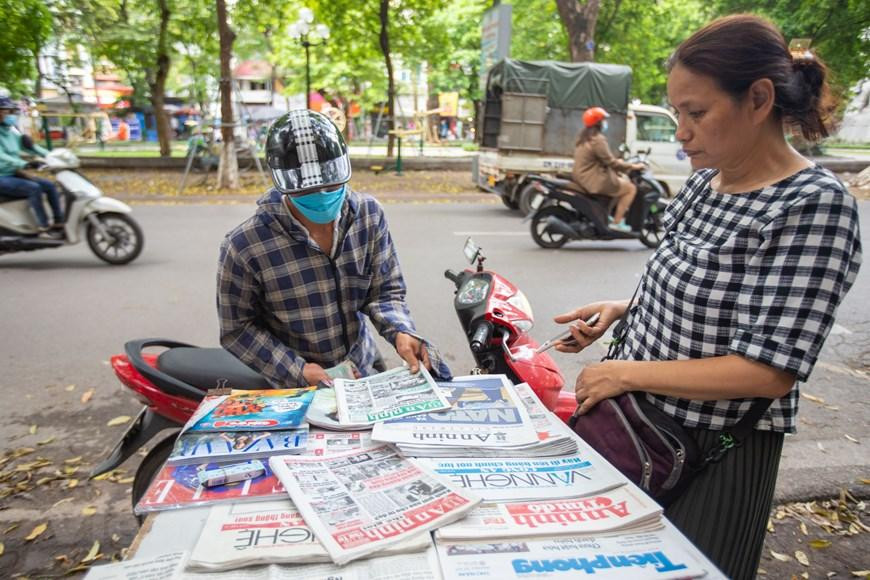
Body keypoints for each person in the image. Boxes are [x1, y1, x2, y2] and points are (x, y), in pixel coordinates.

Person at [553, 15, 861, 579]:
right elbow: (688, 286)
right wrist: (622, 311)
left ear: (759, 98)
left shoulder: (811, 205)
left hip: (715, 447)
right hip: (635, 424)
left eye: (696, 113)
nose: (681, 132)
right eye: (678, 114)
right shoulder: (702, 182)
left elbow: (767, 370)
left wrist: (624, 374)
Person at [217, 109, 451, 388]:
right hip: (296, 385)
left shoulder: (368, 215)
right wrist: (298, 370)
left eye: (331, 184)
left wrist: (400, 330)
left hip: (362, 365)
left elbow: (385, 290)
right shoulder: (244, 245)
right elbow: (237, 329)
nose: (323, 196)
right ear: (283, 184)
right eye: (307, 191)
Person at [571, 106, 645, 233]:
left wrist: (619, 163)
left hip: (583, 176)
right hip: (592, 179)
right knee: (630, 189)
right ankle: (617, 222)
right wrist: (633, 166)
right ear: (598, 122)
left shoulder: (584, 137)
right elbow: (611, 162)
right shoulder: (598, 139)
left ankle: (607, 215)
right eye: (604, 120)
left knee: (619, 184)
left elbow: (603, 159)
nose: (606, 123)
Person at [0, 97, 64, 234]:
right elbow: (3, 157)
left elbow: (31, 147)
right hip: (2, 177)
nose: (11, 114)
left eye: (13, 111)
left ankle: (59, 222)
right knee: (34, 188)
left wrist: (53, 157)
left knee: (50, 186)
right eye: (7, 111)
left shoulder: (10, 132)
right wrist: (26, 164)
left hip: (13, 174)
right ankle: (44, 226)